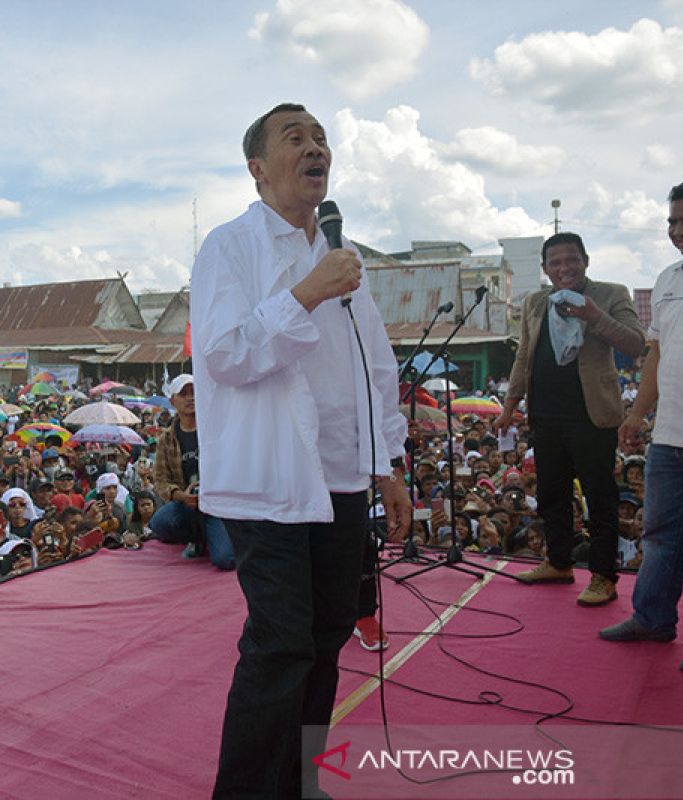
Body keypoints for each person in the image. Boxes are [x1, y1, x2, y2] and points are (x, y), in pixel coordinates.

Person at [191, 103, 409, 798]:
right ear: (258, 168)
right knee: (279, 646)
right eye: (296, 138)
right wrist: (304, 295)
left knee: (326, 639)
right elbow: (224, 355)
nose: (315, 148)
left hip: (343, 479)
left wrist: (388, 465)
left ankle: (301, 784)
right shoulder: (230, 247)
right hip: (271, 481)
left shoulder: (344, 259)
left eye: (320, 138)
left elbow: (374, 368)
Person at [601, 177, 683, 675]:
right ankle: (652, 617)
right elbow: (656, 354)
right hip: (671, 436)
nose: (679, 230)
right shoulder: (670, 278)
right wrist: (637, 413)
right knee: (659, 534)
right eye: (672, 221)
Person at [496, 232, 644, 605]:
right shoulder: (535, 301)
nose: (564, 268)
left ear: (586, 261)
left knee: (600, 498)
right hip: (545, 413)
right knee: (551, 496)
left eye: (571, 260)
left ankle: (603, 576)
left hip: (591, 415)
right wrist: (510, 405)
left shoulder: (611, 294)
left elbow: (636, 343)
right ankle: (558, 561)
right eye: (556, 262)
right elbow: (524, 356)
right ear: (545, 268)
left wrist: (595, 316)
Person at [149, 374, 234, 570]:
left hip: (216, 504)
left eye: (194, 392)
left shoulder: (216, 430)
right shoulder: (167, 439)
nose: (191, 398)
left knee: (225, 560)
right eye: (184, 394)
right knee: (160, 522)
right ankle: (196, 537)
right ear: (172, 401)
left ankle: (219, 533)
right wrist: (181, 495)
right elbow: (161, 481)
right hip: (186, 505)